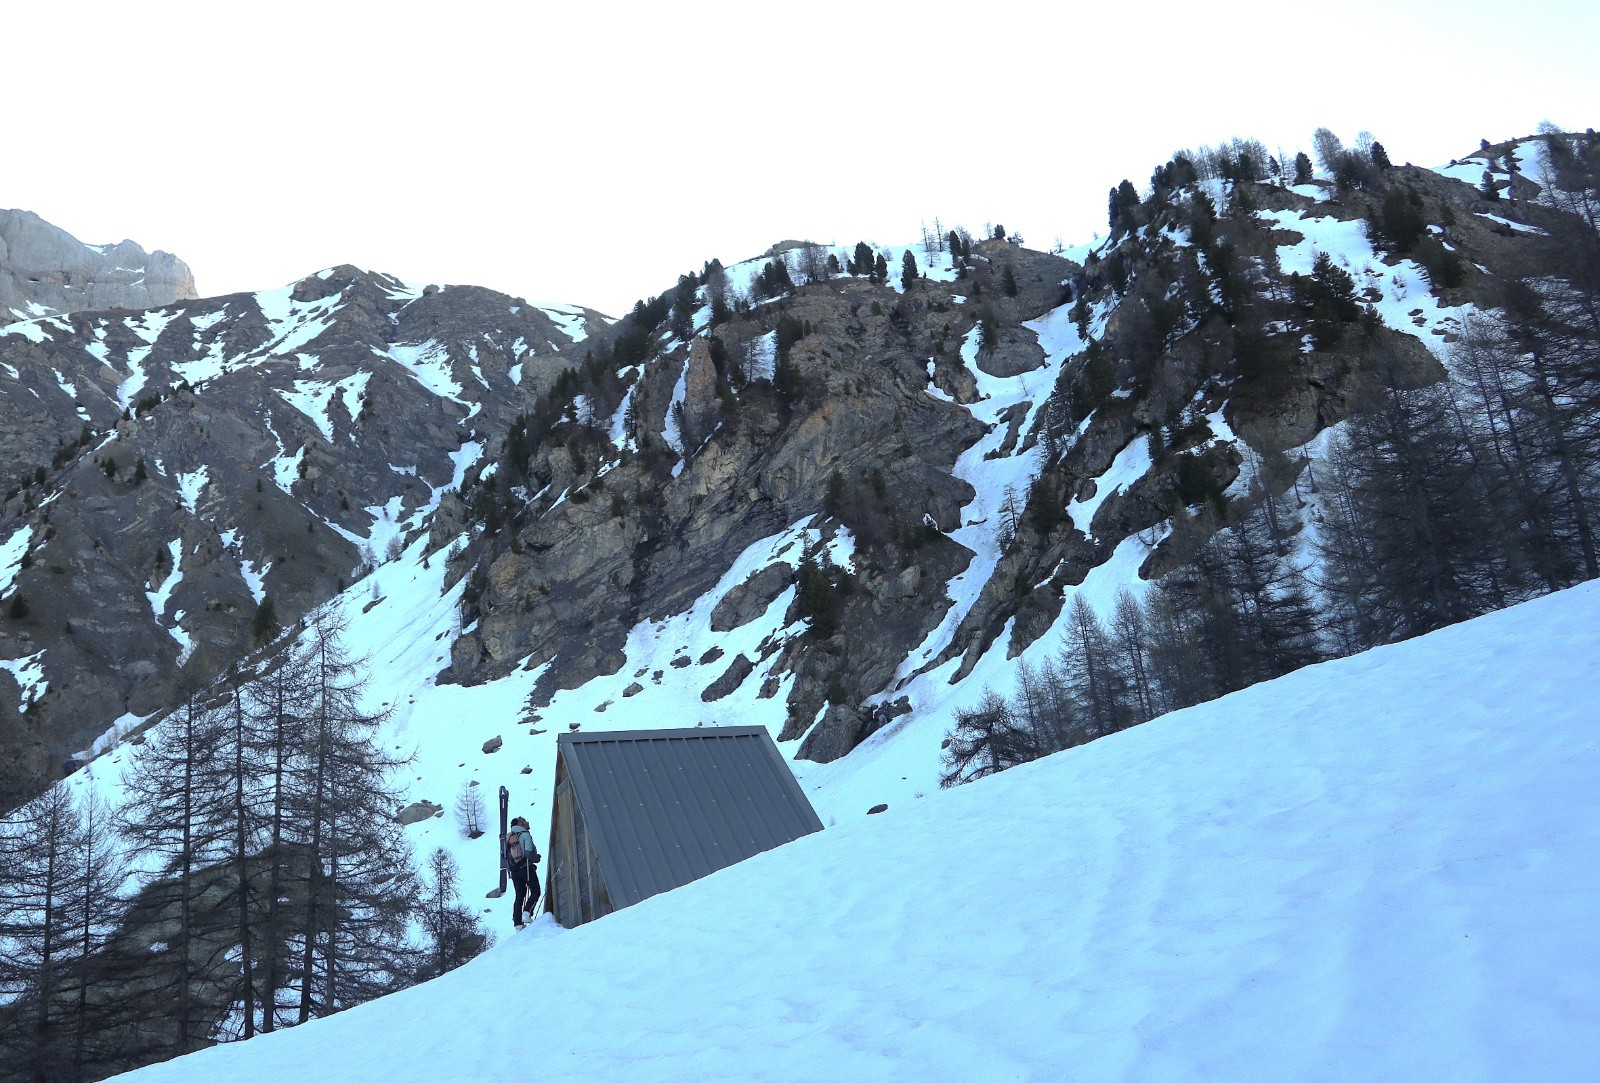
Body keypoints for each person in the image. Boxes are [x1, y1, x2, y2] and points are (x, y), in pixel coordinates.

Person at [506, 815, 541, 929]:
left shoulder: (509, 837)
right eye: (524, 821)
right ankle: (527, 913)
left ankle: (518, 924)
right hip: (526, 867)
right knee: (535, 891)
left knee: (519, 895)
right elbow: (528, 853)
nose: (526, 823)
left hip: (514, 871)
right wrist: (536, 858)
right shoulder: (525, 834)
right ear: (519, 823)